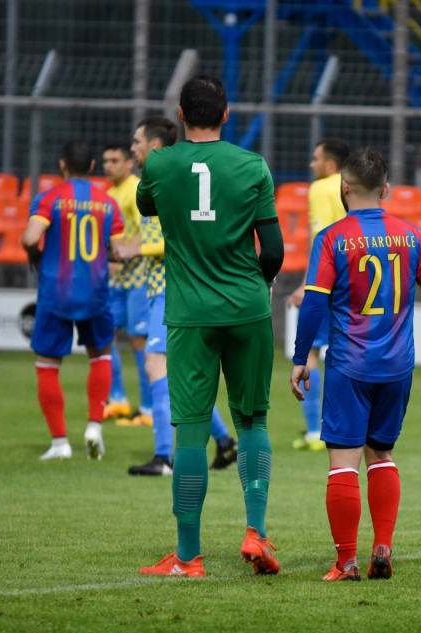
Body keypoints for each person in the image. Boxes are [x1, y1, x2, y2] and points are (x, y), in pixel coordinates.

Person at [135, 74, 284, 579]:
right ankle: (256, 532)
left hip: (190, 315)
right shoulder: (253, 166)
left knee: (191, 434)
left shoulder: (159, 163)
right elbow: (277, 251)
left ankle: (187, 557)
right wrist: (255, 288)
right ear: (227, 114)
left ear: (180, 114)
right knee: (253, 422)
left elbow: (147, 205)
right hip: (247, 309)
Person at [290, 147, 421, 581]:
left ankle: (346, 562)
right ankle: (382, 547)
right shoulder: (410, 234)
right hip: (398, 366)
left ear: (344, 187)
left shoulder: (331, 238)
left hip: (349, 364)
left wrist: (299, 357)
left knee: (343, 462)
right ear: (386, 189)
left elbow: (313, 303)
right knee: (381, 453)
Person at [114, 117, 239, 477]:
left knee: (155, 363)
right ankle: (224, 441)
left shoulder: (165, 178)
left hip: (171, 288)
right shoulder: (167, 177)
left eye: (137, 141)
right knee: (178, 375)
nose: (132, 147)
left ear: (154, 145)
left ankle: (164, 457)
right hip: (166, 288)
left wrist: (134, 249)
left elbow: (177, 238)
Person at [22, 139, 125, 461]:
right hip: (95, 291)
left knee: (48, 365)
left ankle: (59, 443)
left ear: (62, 165)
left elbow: (29, 237)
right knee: (101, 357)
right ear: (93, 166)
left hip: (56, 292)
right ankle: (94, 426)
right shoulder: (107, 203)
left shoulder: (49, 198)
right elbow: (118, 252)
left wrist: (34, 255)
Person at [288, 137, 350, 452]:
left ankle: (316, 431)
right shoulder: (355, 185)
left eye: (315, 159)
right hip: (356, 282)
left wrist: (305, 285)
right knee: (346, 352)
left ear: (329, 164)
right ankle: (346, 425)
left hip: (328, 282)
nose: (311, 165)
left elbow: (322, 240)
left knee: (310, 353)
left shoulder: (321, 188)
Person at [100, 141, 153, 427]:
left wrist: (128, 251)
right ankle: (118, 399)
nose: (109, 165)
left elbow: (147, 228)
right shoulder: (110, 194)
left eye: (115, 160)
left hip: (138, 279)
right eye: (106, 160)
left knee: (139, 342)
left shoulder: (134, 190)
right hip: (116, 279)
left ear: (128, 163)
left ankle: (148, 408)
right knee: (103, 334)